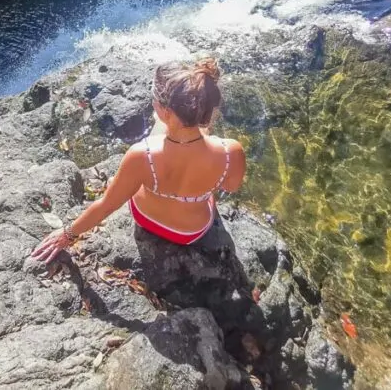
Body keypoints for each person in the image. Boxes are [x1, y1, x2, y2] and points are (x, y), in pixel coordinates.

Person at [31, 57, 246, 262]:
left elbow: (106, 206)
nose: (153, 103)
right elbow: (230, 186)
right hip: (191, 232)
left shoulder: (141, 154)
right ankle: (194, 134)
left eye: (155, 100)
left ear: (163, 110)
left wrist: (67, 235)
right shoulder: (231, 151)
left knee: (155, 145)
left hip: (146, 219)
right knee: (205, 179)